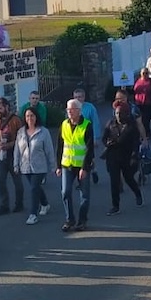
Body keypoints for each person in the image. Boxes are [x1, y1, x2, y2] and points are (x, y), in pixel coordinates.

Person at [56, 98, 95, 232]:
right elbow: (60, 146)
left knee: (84, 195)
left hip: (82, 166)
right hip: (67, 164)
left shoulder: (87, 125)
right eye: (68, 109)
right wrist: (58, 166)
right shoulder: (64, 124)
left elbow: (90, 149)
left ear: (79, 111)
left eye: (72, 109)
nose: (69, 112)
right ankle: (70, 219)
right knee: (65, 192)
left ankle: (82, 220)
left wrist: (84, 168)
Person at [101, 101, 144, 215]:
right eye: (116, 113)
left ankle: (137, 193)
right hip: (112, 156)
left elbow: (136, 143)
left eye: (121, 113)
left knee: (128, 178)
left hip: (126, 156)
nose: (118, 116)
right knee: (114, 181)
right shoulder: (111, 123)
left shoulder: (132, 126)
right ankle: (115, 206)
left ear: (127, 113)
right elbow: (104, 138)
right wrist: (107, 143)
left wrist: (134, 156)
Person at [13, 106, 55, 225]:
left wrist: (53, 166)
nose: (30, 118)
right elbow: (17, 149)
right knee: (35, 187)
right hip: (25, 166)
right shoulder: (21, 132)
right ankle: (45, 204)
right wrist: (15, 164)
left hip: (39, 166)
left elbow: (49, 149)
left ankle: (33, 214)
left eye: (32, 116)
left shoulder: (43, 132)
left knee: (33, 188)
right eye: (27, 116)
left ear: (36, 117)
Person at [0, 97, 25, 215]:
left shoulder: (16, 120)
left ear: (6, 107)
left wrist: (9, 145)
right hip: (0, 154)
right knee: (0, 181)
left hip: (14, 155)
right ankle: (4, 205)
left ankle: (19, 203)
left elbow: (22, 138)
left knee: (17, 181)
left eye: (0, 108)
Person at [132, 68, 151, 139]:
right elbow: (133, 91)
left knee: (146, 120)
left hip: (148, 104)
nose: (145, 75)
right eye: (143, 73)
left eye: (146, 73)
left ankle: (147, 133)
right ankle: (145, 133)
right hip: (138, 104)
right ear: (140, 74)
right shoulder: (136, 81)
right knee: (139, 120)